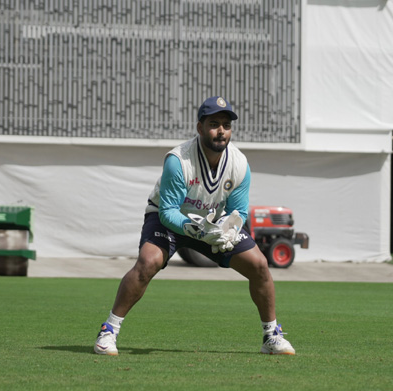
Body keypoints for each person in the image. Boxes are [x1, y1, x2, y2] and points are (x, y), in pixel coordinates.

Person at [94, 96, 295, 356]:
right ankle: (109, 331)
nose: (221, 130)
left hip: (212, 223)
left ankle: (271, 336)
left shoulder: (239, 164)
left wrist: (229, 229)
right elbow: (167, 212)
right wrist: (196, 229)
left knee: (259, 265)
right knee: (148, 262)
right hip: (169, 219)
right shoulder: (178, 160)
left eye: (226, 124)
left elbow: (239, 211)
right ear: (199, 128)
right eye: (214, 123)